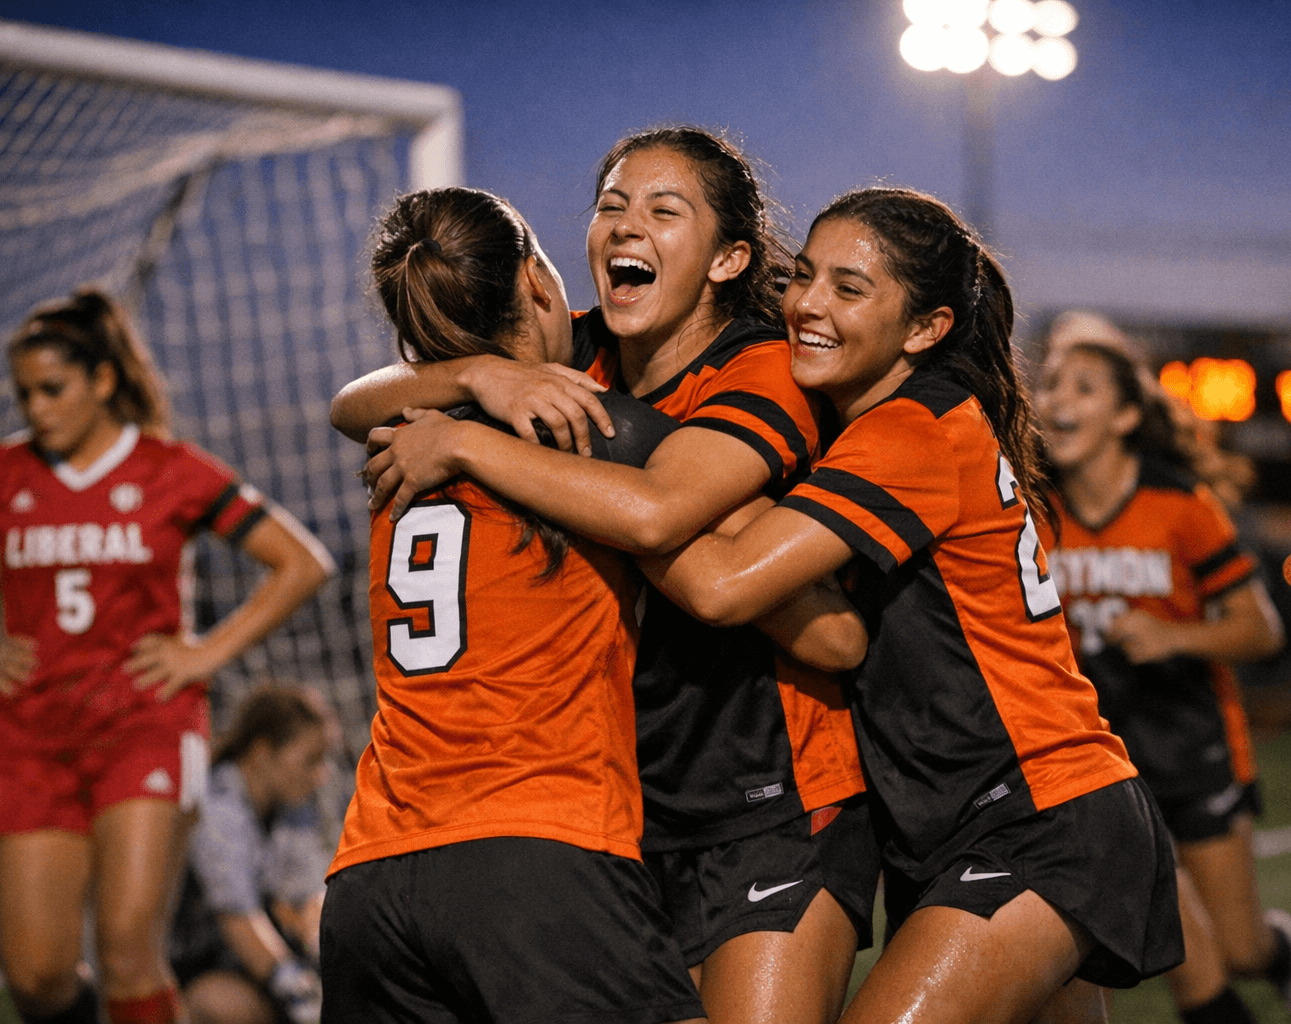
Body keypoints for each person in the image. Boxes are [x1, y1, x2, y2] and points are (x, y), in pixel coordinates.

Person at [384, 186, 1182, 1024]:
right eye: (804, 275)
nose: (806, 304)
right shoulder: (867, 417)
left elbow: (724, 584)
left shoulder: (911, 428)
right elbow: (362, 399)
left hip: (1032, 811)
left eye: (849, 288)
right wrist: (477, 376)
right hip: (958, 823)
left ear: (925, 329)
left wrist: (491, 447)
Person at [343, 128, 878, 1024]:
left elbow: (661, 516)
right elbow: (351, 403)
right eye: (610, 206)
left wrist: (467, 438)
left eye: (665, 211)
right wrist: (483, 375)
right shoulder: (565, 357)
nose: (627, 226)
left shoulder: (761, 367)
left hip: (771, 795)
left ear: (728, 259)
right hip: (628, 811)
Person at [0, 289, 332, 1024]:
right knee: (37, 977)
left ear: (102, 380)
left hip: (145, 727)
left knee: (127, 948)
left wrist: (203, 654)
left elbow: (301, 562)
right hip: (32, 738)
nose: (37, 408)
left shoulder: (170, 470)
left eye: (53, 388)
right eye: (25, 393)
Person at [1033, 318, 1291, 1024]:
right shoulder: (1034, 511)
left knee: (1239, 949)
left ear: (1126, 416)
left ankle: (1283, 955)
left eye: (1083, 387)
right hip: (1104, 759)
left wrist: (1173, 636)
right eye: (1050, 384)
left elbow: (1261, 629)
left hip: (1192, 743)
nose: (1058, 400)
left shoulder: (1179, 504)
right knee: (1170, 953)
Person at [170, 684, 333, 1024]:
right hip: (196, 968)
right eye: (311, 760)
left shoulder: (293, 808)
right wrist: (302, 994)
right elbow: (238, 921)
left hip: (254, 963)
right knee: (220, 1005)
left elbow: (307, 900)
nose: (321, 776)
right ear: (262, 753)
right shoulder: (215, 807)